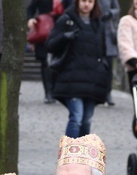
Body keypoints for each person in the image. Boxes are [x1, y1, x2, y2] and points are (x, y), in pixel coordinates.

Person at [46, 0, 109, 138]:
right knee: (76, 117)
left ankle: (82, 153)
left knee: (86, 120)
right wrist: (64, 37)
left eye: (90, 1)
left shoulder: (98, 24)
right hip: (71, 78)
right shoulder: (67, 20)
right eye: (83, 1)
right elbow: (50, 45)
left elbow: (102, 51)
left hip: (92, 79)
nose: (86, 4)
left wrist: (103, 69)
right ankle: (71, 152)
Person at [27, 0, 58, 104]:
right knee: (45, 62)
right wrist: (30, 19)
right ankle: (48, 92)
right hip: (44, 28)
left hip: (60, 27)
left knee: (58, 60)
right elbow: (31, 8)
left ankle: (55, 90)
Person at [98, 0, 119, 106]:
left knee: (109, 68)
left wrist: (110, 13)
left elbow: (117, 10)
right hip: (95, 31)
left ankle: (108, 93)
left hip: (108, 34)